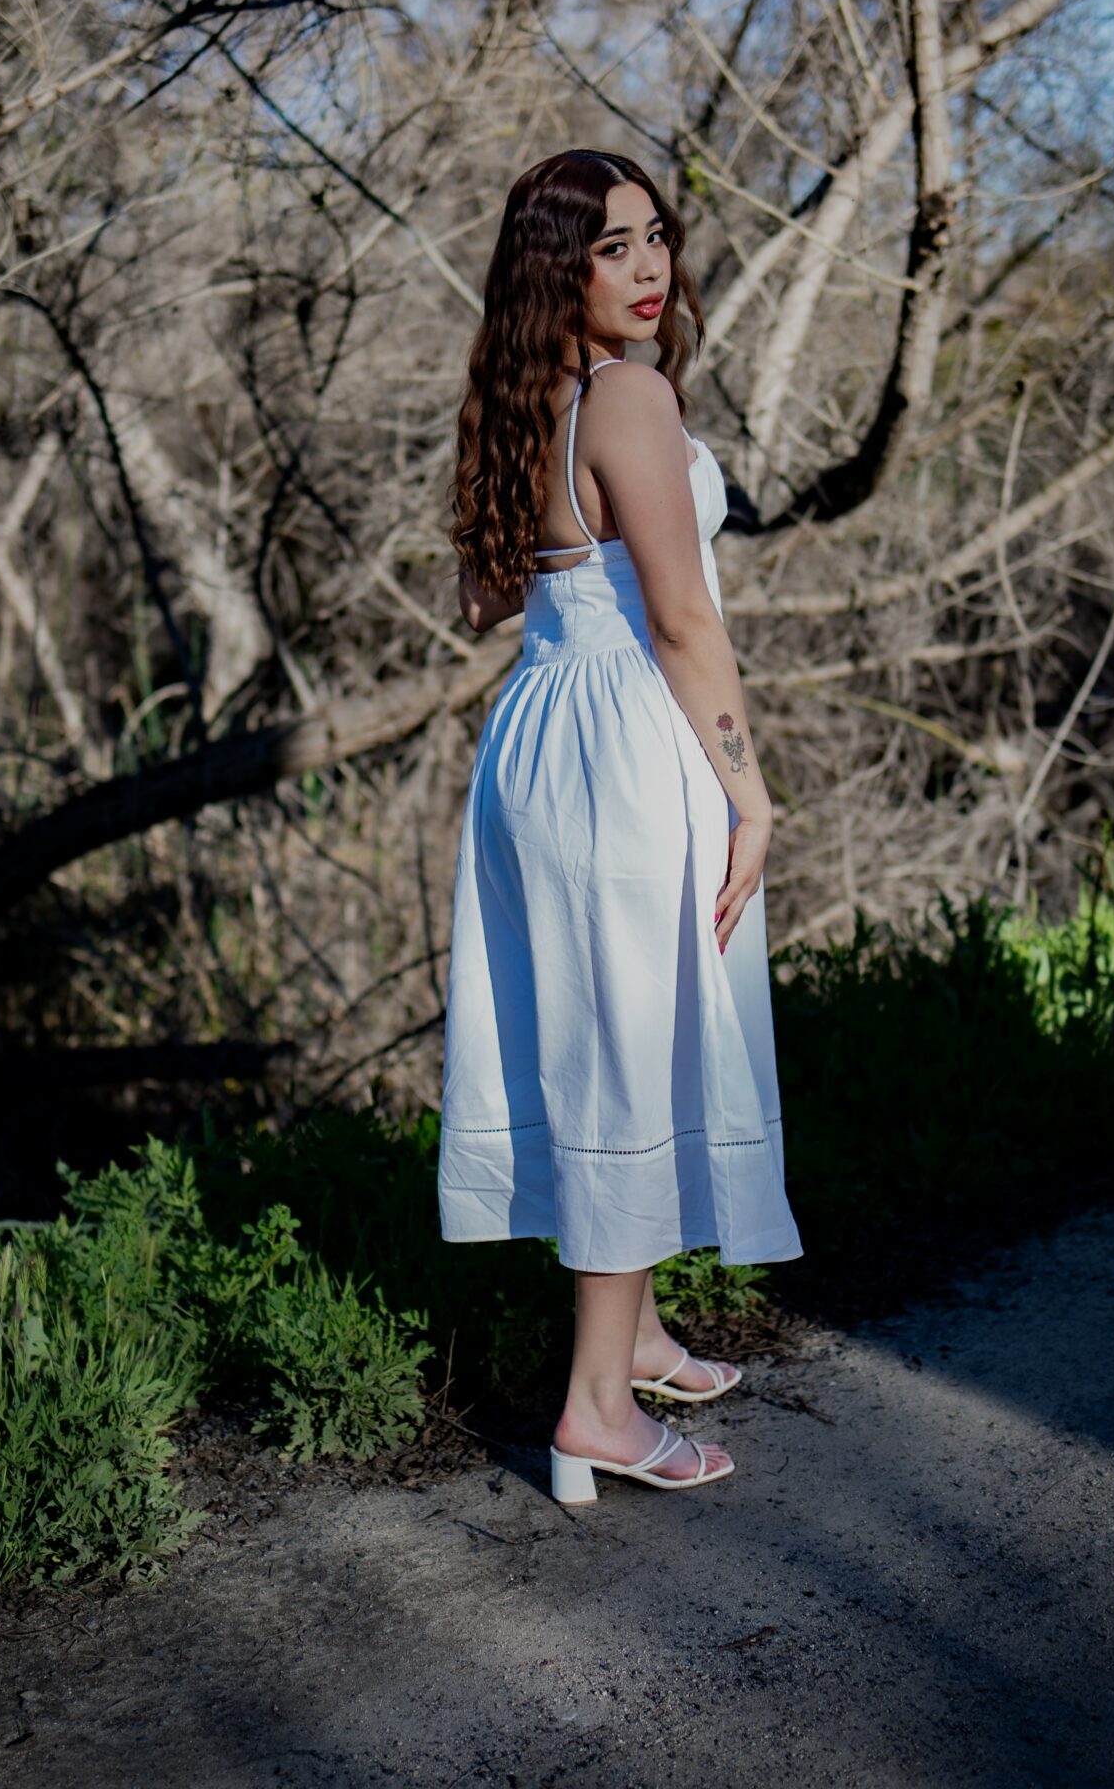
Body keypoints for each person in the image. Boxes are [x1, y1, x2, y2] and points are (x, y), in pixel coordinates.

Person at [440, 147, 802, 1503]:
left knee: (599, 1035)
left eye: (655, 238)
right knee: (629, 1052)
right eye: (612, 249)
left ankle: (631, 1332)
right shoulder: (629, 396)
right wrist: (749, 794)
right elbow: (682, 619)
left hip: (539, 735)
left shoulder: (523, 398)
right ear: (559, 271)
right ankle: (594, 1405)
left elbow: (489, 597)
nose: (649, 269)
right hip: (622, 743)